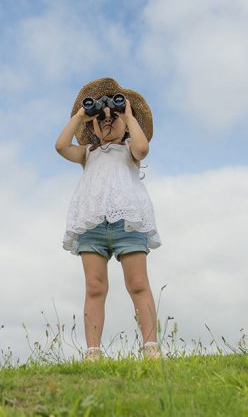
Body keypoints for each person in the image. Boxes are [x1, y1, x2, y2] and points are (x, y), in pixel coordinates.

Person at [54, 77, 162, 361]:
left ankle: (151, 348)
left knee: (138, 283)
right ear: (90, 126)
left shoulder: (130, 151)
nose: (106, 121)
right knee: (95, 287)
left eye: (113, 117)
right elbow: (61, 146)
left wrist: (126, 114)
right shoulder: (88, 154)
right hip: (92, 224)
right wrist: (81, 115)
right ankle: (93, 352)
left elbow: (143, 148)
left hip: (128, 221)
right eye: (99, 119)